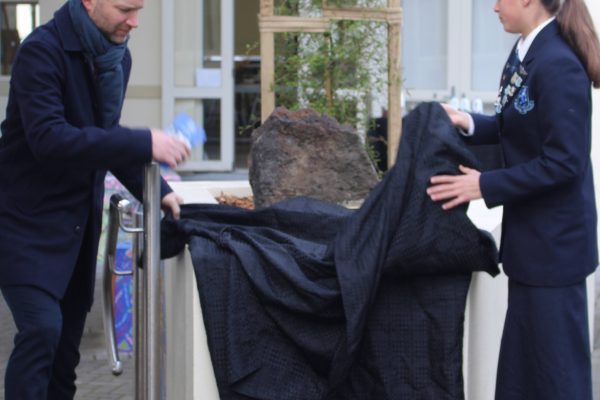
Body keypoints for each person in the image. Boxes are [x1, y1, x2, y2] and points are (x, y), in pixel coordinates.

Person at [0, 0, 191, 398]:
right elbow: (50, 140)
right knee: (41, 332)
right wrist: (143, 140)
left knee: (64, 357)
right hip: (24, 227)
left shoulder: (117, 59)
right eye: (125, 9)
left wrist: (160, 195)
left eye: (140, 10)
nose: (134, 22)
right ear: (89, 1)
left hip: (77, 233)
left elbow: (103, 141)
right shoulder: (41, 51)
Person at [427, 0, 600, 398]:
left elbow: (564, 162)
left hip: (555, 251)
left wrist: (484, 185)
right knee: (527, 371)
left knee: (557, 376)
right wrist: (467, 121)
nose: (493, 7)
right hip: (532, 248)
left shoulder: (558, 62)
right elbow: (514, 127)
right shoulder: (527, 50)